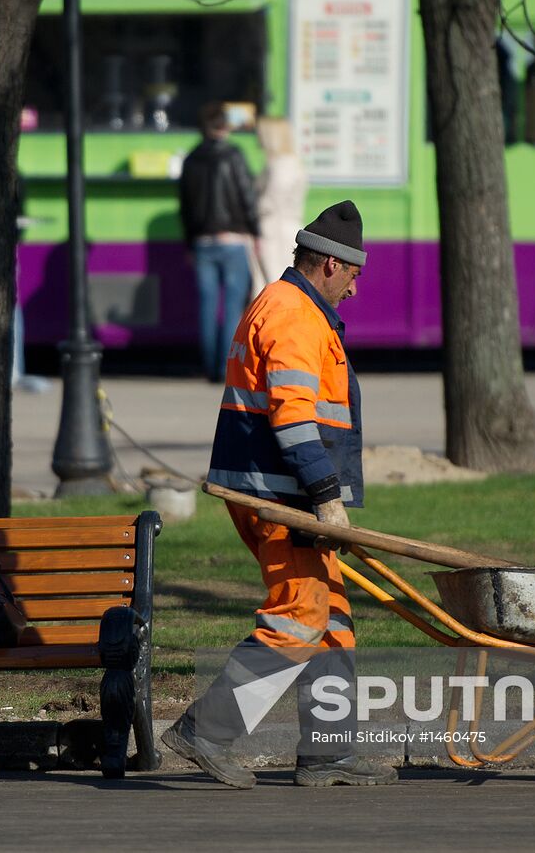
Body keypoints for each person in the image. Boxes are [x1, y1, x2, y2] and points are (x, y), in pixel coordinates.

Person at [162, 200, 395, 789]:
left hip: (279, 489)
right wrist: (324, 494)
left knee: (333, 618)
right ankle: (205, 732)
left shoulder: (294, 307)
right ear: (328, 267)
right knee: (299, 616)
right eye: (353, 277)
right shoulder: (293, 315)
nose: (355, 291)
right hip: (282, 494)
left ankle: (328, 752)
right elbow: (293, 419)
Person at [179, 102, 260, 383]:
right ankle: (227, 368)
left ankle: (209, 367)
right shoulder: (234, 155)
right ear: (225, 125)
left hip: (202, 242)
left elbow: (185, 208)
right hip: (233, 240)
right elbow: (247, 197)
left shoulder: (190, 159)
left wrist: (189, 243)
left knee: (207, 306)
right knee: (233, 306)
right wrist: (256, 231)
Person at [254, 117, 309, 284]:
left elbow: (272, 200)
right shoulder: (291, 163)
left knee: (271, 283)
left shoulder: (281, 166)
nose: (258, 138)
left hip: (275, 233)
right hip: (285, 230)